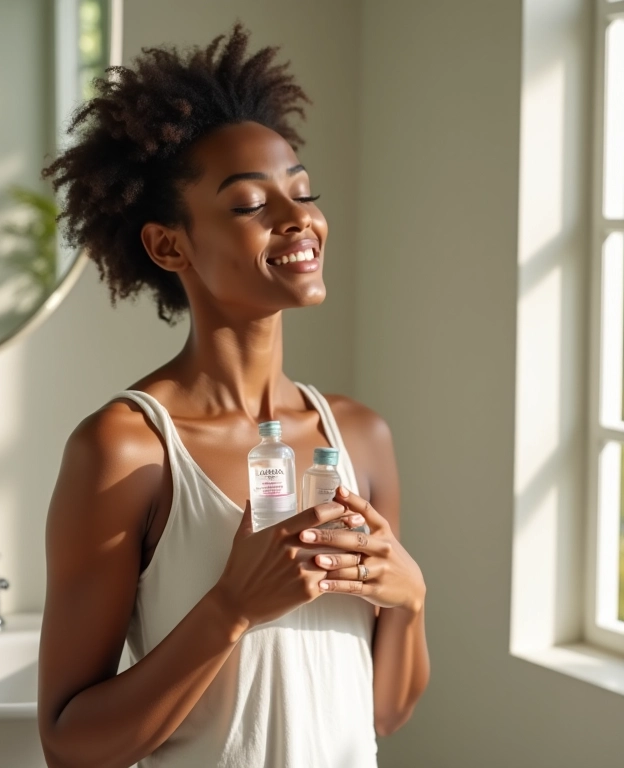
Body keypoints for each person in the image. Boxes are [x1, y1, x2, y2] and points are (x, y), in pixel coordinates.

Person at [37, 23, 429, 768]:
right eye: (251, 204)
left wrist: (409, 601)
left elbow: (381, 712)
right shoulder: (127, 450)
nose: (299, 217)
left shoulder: (359, 436)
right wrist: (232, 607)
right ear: (169, 245)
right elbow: (70, 745)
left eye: (303, 193)